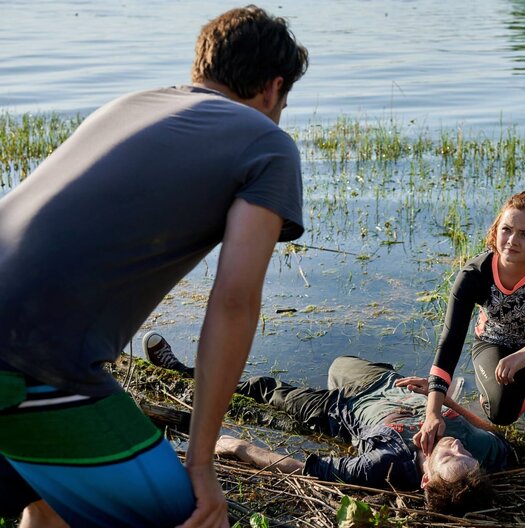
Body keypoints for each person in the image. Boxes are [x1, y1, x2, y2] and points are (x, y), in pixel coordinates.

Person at [0, 6, 308, 527]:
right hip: (33, 365)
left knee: (46, 494)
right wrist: (202, 462)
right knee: (191, 515)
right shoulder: (267, 144)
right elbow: (234, 301)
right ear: (274, 89)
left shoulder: (127, 105)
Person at [143, 333, 510, 515]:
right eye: (462, 449)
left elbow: (306, 468)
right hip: (387, 381)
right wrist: (445, 400)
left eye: (449, 456)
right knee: (338, 361)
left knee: (266, 389)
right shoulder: (480, 455)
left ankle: (180, 370)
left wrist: (237, 446)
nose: (455, 446)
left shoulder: (386, 464)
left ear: (426, 479)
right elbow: (500, 437)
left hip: (343, 405)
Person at [417, 189, 525, 456]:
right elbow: (449, 345)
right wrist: (433, 413)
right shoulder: (474, 276)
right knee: (503, 412)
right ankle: (492, 395)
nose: (512, 240)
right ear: (496, 229)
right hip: (494, 342)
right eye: (506, 229)